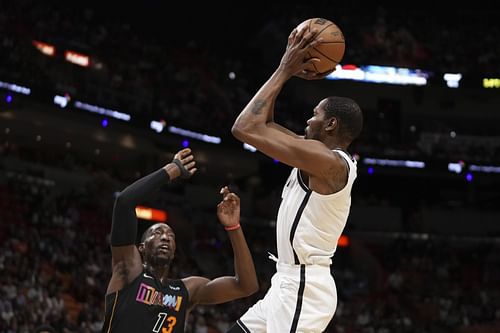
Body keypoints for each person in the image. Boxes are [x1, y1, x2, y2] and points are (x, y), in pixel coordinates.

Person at [228, 26, 363, 332]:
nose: (307, 119)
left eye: (314, 114)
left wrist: (285, 69)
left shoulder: (328, 162)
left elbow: (244, 127)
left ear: (330, 124)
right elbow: (262, 123)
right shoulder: (313, 156)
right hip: (287, 281)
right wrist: (284, 68)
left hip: (304, 287)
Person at [101, 147, 258, 333]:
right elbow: (124, 203)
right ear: (141, 247)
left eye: (171, 236)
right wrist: (172, 169)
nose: (166, 237)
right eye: (157, 232)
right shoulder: (129, 270)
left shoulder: (187, 289)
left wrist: (234, 227)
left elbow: (246, 286)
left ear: (175, 250)